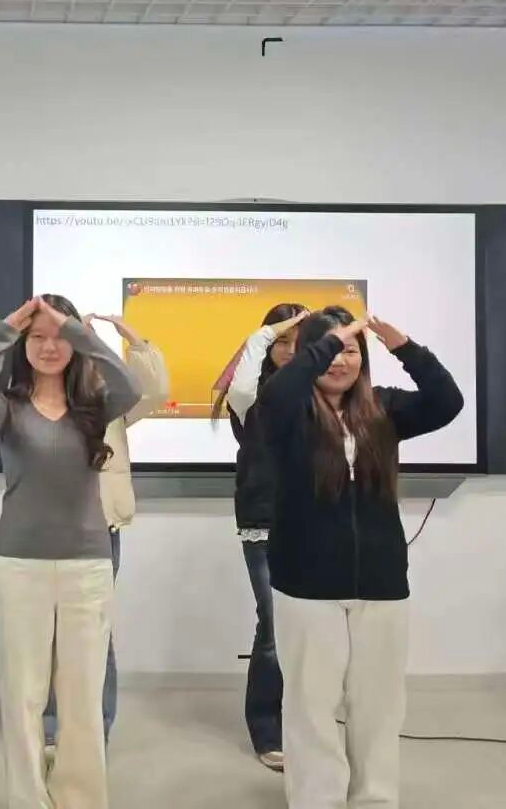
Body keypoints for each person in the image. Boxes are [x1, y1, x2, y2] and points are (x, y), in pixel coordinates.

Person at [258, 307, 463, 809]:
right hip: (306, 585)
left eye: (351, 350)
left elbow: (447, 401)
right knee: (310, 704)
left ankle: (375, 798)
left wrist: (405, 348)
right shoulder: (288, 413)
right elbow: (278, 394)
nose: (340, 360)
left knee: (379, 705)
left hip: (381, 582)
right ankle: (317, 799)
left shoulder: (384, 408)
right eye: (330, 349)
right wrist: (329, 342)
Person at [0, 295, 140, 809]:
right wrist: (1, 331)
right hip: (20, 563)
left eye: (59, 336)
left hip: (87, 563)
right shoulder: (8, 407)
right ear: (22, 343)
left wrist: (78, 331)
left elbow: (131, 386)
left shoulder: (95, 406)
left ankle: (80, 798)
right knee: (23, 693)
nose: (48, 346)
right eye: (37, 337)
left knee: (83, 694)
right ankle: (28, 798)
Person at [43, 314, 168, 752]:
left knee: (94, 629)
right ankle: (52, 726)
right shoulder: (36, 398)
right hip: (43, 527)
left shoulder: (109, 401)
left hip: (99, 527)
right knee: (48, 630)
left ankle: (97, 727)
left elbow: (156, 390)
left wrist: (133, 339)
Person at [211, 303, 309, 772]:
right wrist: (266, 333)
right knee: (273, 625)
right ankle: (267, 729)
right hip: (264, 519)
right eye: (281, 342)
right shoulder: (255, 398)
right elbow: (242, 383)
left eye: (299, 342)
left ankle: (306, 723)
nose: (289, 350)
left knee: (312, 628)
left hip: (317, 521)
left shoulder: (323, 390)